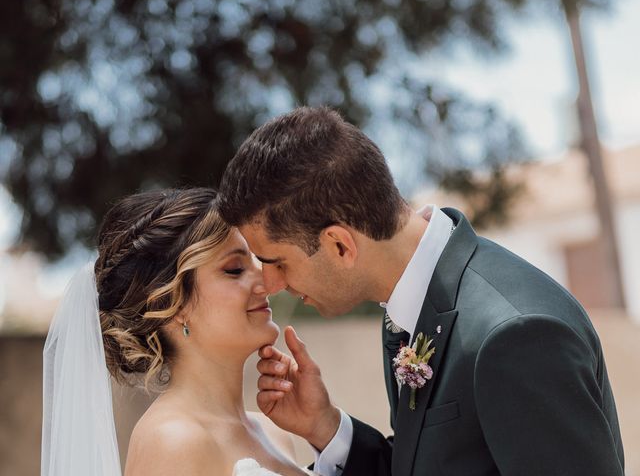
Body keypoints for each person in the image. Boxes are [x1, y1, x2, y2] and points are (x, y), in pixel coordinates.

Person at [218, 106, 625, 476]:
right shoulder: (408, 309)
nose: (271, 285)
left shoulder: (515, 335)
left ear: (340, 245)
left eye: (277, 262)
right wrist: (325, 425)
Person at [41, 188, 311, 476]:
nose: (266, 280)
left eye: (256, 261)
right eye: (234, 269)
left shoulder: (274, 431)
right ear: (172, 303)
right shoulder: (172, 441)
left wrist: (323, 425)